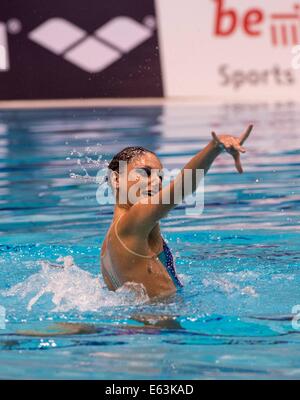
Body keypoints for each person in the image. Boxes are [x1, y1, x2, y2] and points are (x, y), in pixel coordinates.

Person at [101, 125, 253, 299]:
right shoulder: (134, 219)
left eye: (160, 177)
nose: (156, 182)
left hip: (142, 325)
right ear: (116, 179)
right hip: (163, 324)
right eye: (146, 172)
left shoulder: (107, 247)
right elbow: (184, 186)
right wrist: (214, 147)